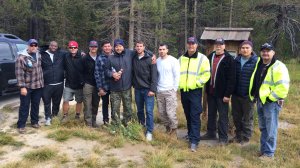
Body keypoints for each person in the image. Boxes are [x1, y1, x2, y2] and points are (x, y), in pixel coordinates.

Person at [249, 43, 290, 159]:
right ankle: (263, 151)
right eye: (263, 51)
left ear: (273, 52)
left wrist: (269, 98)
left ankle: (269, 154)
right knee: (263, 128)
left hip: (270, 103)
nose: (265, 53)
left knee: (271, 128)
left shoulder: (279, 66)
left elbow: (283, 87)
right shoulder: (259, 63)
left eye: (268, 51)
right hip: (260, 101)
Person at [201, 38, 236, 145]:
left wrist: (227, 94)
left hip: (222, 94)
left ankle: (223, 137)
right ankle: (211, 133)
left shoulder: (229, 59)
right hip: (211, 92)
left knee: (223, 116)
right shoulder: (210, 56)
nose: (218, 46)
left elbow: (232, 79)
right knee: (211, 114)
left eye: (221, 44)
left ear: (224, 46)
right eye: (217, 44)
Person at [179, 37, 210, 152]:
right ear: (187, 45)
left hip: (195, 91)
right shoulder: (181, 59)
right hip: (184, 91)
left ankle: (194, 141)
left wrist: (197, 83)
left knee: (195, 115)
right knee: (187, 114)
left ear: (197, 45)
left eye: (193, 44)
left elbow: (206, 74)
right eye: (189, 44)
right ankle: (190, 134)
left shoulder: (203, 59)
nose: (191, 46)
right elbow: (177, 72)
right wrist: (179, 84)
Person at [230, 40, 258, 145]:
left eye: (247, 48)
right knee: (236, 117)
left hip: (248, 96)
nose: (245, 50)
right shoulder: (236, 60)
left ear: (251, 49)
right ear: (240, 49)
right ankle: (238, 136)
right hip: (236, 95)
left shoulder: (256, 61)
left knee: (247, 118)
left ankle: (246, 139)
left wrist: (255, 94)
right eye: (243, 48)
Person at [15, 39, 44, 133]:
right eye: (31, 45)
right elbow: (19, 74)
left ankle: (34, 122)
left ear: (37, 46)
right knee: (24, 106)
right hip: (27, 87)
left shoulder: (39, 54)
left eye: (35, 45)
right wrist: (22, 87)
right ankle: (21, 125)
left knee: (36, 105)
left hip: (38, 85)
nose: (33, 47)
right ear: (28, 46)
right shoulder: (21, 58)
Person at [105, 39, 134, 126]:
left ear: (123, 46)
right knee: (114, 109)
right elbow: (106, 70)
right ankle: (115, 125)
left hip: (127, 88)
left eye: (120, 46)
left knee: (128, 108)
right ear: (114, 48)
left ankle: (127, 124)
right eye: (116, 46)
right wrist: (112, 74)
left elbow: (141, 50)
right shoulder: (110, 57)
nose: (118, 48)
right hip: (114, 89)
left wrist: (152, 55)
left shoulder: (129, 54)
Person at [132, 41, 158, 141]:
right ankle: (141, 126)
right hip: (138, 89)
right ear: (135, 47)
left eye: (141, 46)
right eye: (137, 46)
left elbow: (154, 75)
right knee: (139, 110)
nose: (139, 48)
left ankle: (149, 131)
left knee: (149, 111)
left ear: (144, 47)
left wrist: (153, 89)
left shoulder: (150, 59)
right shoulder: (133, 57)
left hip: (148, 90)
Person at [156, 44, 180, 137]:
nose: (161, 51)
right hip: (159, 91)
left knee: (170, 112)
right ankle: (167, 128)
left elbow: (177, 75)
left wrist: (174, 88)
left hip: (170, 90)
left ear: (167, 50)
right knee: (162, 113)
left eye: (163, 49)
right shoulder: (157, 61)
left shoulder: (173, 60)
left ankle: (174, 130)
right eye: (160, 49)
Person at [41, 41, 65, 126]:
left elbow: (72, 53)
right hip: (46, 83)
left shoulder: (61, 54)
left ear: (57, 47)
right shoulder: (42, 54)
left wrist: (82, 54)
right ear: (49, 46)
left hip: (59, 83)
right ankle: (48, 118)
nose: (53, 47)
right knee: (47, 102)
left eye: (55, 46)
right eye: (52, 45)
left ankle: (54, 116)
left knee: (57, 102)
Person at [61, 41, 84, 122]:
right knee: (65, 100)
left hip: (79, 84)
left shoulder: (82, 56)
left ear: (77, 48)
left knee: (79, 101)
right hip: (68, 83)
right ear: (68, 48)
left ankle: (77, 116)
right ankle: (65, 116)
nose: (73, 49)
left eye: (74, 47)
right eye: (71, 47)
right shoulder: (65, 56)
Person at [82, 40, 100, 127]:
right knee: (87, 104)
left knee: (95, 103)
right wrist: (83, 82)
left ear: (97, 48)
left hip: (97, 85)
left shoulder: (100, 57)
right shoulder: (84, 58)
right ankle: (88, 123)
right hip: (88, 84)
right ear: (89, 47)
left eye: (95, 47)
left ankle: (94, 121)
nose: (93, 48)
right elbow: (80, 71)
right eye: (92, 46)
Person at [95, 40, 113, 125]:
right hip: (104, 86)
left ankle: (114, 121)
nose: (107, 48)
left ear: (111, 47)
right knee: (105, 104)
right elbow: (97, 73)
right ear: (102, 48)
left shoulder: (115, 56)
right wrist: (100, 88)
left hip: (114, 86)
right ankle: (105, 121)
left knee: (114, 104)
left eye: (108, 46)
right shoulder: (99, 58)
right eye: (105, 46)